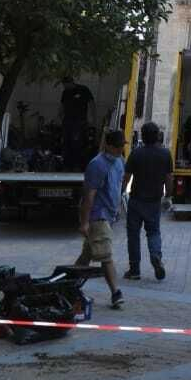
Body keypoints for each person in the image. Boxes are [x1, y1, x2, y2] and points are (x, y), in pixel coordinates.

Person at [77, 128, 127, 310]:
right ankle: (116, 292)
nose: (120, 150)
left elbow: (119, 185)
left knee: (86, 257)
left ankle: (68, 284)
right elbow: (89, 195)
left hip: (109, 215)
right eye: (117, 147)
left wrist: (119, 206)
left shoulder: (120, 161)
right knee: (106, 255)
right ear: (108, 145)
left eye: (122, 146)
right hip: (98, 216)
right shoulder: (97, 165)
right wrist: (84, 221)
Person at [122, 121, 172, 281]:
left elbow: (127, 177)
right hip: (154, 201)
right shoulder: (165, 154)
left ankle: (135, 270)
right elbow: (169, 178)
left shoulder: (136, 153)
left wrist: (121, 191)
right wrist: (168, 195)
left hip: (136, 200)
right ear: (158, 136)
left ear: (142, 136)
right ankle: (156, 256)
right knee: (154, 232)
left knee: (133, 235)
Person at [60, 76, 94, 170]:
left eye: (66, 84)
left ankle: (77, 165)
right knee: (66, 143)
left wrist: (91, 117)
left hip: (79, 122)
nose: (65, 86)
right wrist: (60, 116)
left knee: (77, 143)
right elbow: (62, 105)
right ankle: (67, 165)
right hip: (67, 121)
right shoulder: (65, 92)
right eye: (64, 85)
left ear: (71, 82)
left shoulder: (83, 90)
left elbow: (91, 103)